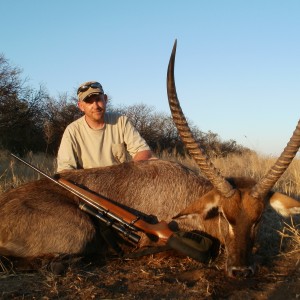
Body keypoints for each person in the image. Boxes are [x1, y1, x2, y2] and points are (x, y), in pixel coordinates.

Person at [57, 81, 153, 172]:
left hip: (120, 181)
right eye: (89, 102)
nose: (95, 106)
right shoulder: (72, 130)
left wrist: (128, 175)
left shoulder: (121, 121)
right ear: (81, 106)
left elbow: (143, 151)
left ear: (105, 99)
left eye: (98, 99)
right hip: (86, 186)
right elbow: (65, 169)